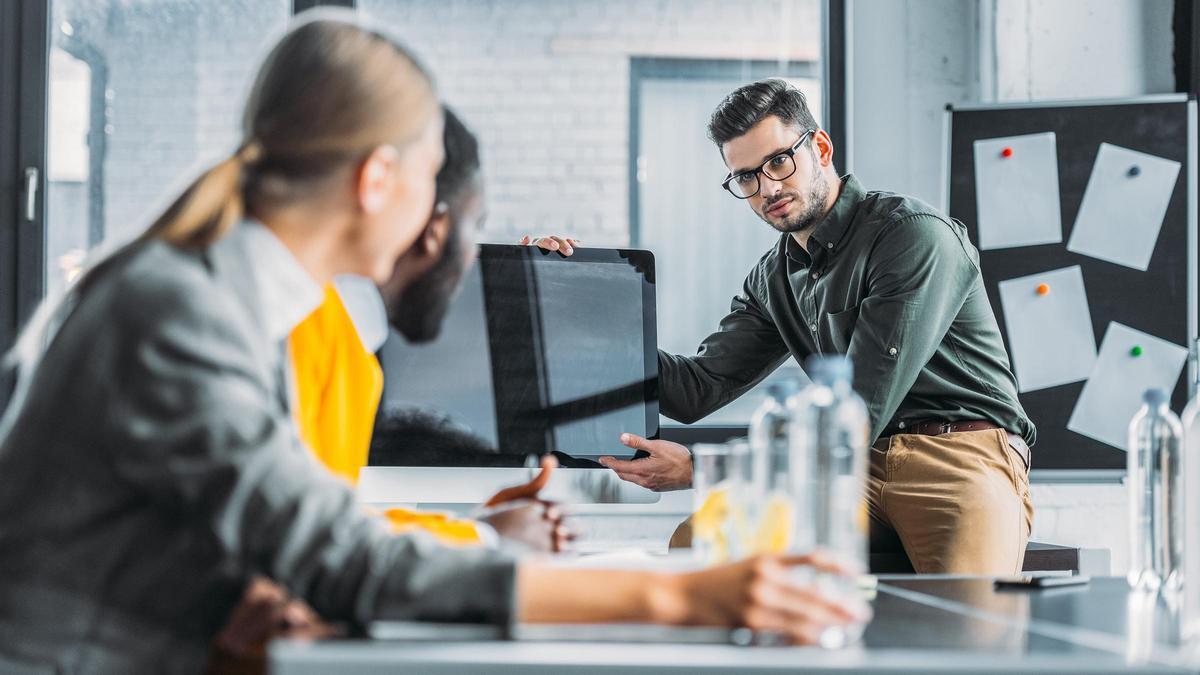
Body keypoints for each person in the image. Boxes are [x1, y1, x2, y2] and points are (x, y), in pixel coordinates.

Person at [0, 17, 861, 672]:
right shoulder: (179, 313)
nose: (438, 221)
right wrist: (681, 595)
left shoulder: (209, 296)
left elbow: (246, 538)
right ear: (378, 180)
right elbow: (343, 557)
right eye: (427, 183)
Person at [529, 78, 1035, 576]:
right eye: (746, 177)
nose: (767, 187)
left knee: (970, 621)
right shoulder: (775, 277)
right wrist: (577, 302)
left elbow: (857, 412)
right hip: (851, 471)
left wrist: (703, 471)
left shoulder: (912, 237)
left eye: (777, 161)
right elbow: (696, 390)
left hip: (960, 456)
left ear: (820, 147)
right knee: (696, 543)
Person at [288, 106, 563, 552]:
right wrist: (484, 537)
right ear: (435, 226)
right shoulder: (299, 325)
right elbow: (304, 548)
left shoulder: (348, 339)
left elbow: (328, 520)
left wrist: (476, 528)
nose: (474, 257)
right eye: (474, 227)